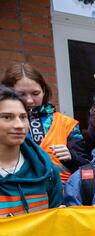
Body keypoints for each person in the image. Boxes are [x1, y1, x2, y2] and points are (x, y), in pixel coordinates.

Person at [2, 63, 89, 181]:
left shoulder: (67, 124)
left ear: (43, 90)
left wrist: (72, 158)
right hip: (15, 191)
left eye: (35, 93)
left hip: (61, 193)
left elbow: (87, 169)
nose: (29, 100)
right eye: (21, 94)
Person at [0, 86, 63, 216]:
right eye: (7, 117)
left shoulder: (48, 170)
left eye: (23, 117)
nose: (19, 125)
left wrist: (90, 214)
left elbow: (56, 224)